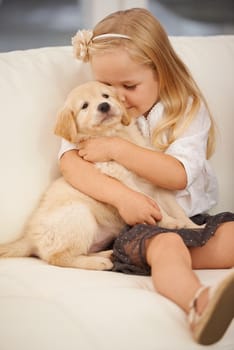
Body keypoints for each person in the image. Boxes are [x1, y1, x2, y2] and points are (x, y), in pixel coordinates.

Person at [58, 8, 234, 346]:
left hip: (189, 221)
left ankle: (185, 259)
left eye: (129, 85)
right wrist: (124, 198)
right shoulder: (95, 107)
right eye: (106, 85)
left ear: (162, 74)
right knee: (166, 245)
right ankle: (200, 303)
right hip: (136, 228)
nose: (116, 97)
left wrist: (116, 149)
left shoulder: (186, 109)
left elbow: (178, 176)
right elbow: (70, 164)